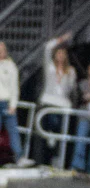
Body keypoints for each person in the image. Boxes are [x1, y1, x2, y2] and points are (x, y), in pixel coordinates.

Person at [31, 33, 75, 165]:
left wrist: (65, 78)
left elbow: (70, 89)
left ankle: (57, 157)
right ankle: (42, 158)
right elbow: (47, 47)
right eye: (58, 53)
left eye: (63, 54)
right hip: (48, 101)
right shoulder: (49, 67)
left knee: (60, 129)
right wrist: (61, 39)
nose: (60, 56)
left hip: (62, 104)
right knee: (48, 125)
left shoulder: (70, 71)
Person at [0, 41, 28, 165]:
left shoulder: (11, 66)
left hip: (6, 102)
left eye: (2, 49)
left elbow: (14, 87)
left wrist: (13, 104)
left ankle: (19, 157)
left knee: (12, 130)